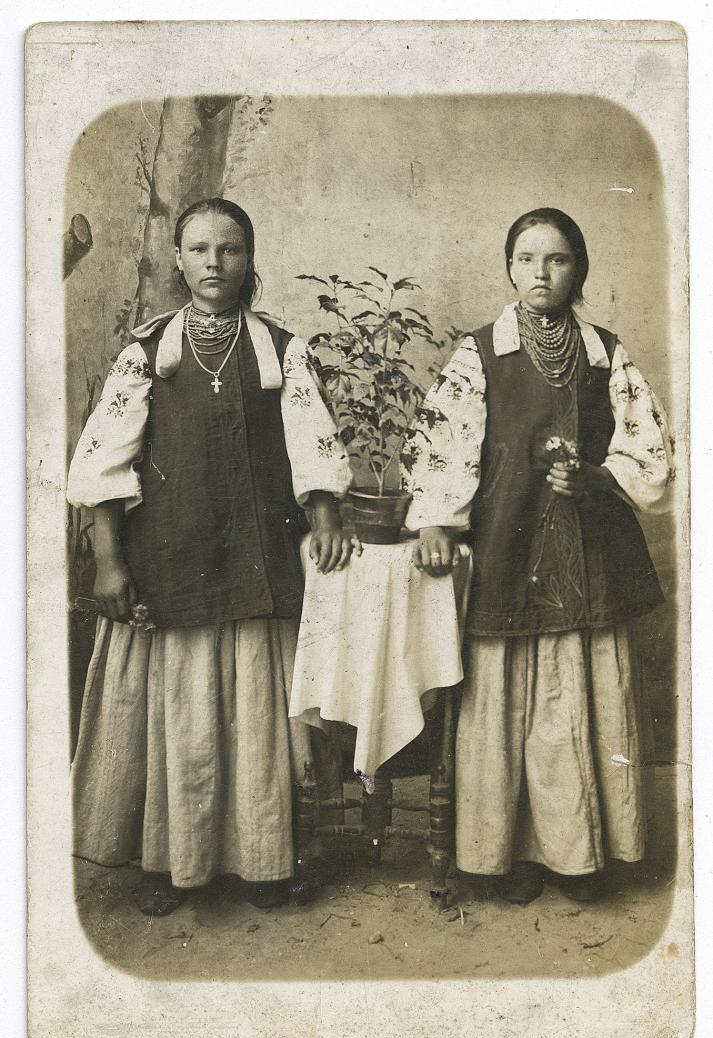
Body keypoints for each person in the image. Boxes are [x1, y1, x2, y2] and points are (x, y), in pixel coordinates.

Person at [68, 197, 357, 915]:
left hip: (259, 559)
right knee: (183, 715)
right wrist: (109, 561)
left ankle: (264, 859)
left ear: (248, 258)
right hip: (173, 556)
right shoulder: (147, 352)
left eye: (228, 250)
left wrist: (323, 516)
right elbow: (104, 464)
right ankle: (174, 862)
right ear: (177, 258)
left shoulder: (279, 349)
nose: (213, 264)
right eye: (198, 250)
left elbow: (313, 446)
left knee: (258, 711)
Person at [401, 207, 675, 904]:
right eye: (525, 259)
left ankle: (578, 856)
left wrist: (600, 478)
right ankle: (504, 857)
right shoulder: (479, 353)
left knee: (578, 704)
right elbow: (446, 443)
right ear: (508, 267)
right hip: (506, 546)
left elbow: (649, 450)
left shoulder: (603, 353)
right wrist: (435, 518)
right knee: (503, 707)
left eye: (555, 260)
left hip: (589, 554)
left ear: (577, 269)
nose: (539, 273)